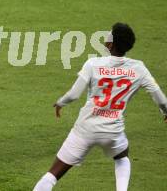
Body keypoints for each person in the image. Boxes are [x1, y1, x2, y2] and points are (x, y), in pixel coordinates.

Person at [33, 23, 167, 191]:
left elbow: (74, 95)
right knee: (122, 157)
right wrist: (165, 112)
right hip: (112, 131)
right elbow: (161, 99)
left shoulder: (93, 64)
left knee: (53, 174)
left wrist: (60, 102)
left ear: (110, 44)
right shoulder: (139, 68)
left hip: (85, 129)